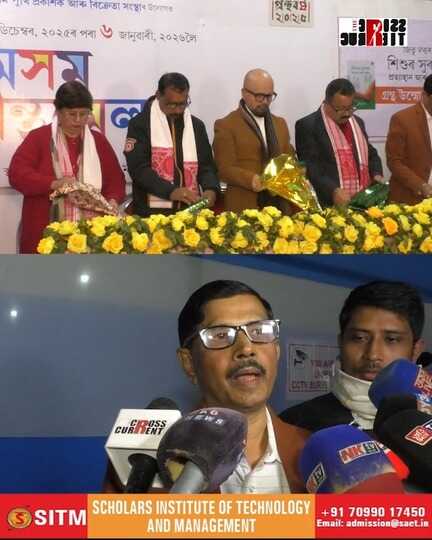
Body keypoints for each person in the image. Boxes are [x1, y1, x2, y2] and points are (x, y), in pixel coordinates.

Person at [104, 280, 309, 493]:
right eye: (221, 335)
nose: (246, 348)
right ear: (189, 363)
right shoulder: (143, 464)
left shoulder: (313, 451)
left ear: (277, 351)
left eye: (259, 330)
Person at [280, 281, 425, 433]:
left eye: (392, 339)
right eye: (359, 338)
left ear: (416, 350)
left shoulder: (426, 422)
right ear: (341, 342)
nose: (373, 355)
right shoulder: (294, 424)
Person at [8, 81, 125, 254]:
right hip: (45, 234)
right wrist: (54, 183)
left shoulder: (98, 141)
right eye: (72, 114)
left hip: (93, 235)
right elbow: (17, 174)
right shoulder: (38, 138)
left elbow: (115, 180)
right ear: (58, 111)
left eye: (83, 114)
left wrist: (113, 200)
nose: (78, 120)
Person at [124, 72, 219, 217]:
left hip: (191, 211)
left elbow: (206, 166)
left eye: (182, 104)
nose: (178, 110)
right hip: (151, 214)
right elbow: (139, 169)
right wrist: (171, 191)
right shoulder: (140, 124)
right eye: (172, 104)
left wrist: (210, 189)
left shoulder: (196, 126)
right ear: (158, 95)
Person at [213, 69, 296, 213]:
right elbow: (224, 169)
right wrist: (252, 180)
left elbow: (290, 159)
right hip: (244, 209)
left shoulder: (280, 124)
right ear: (244, 93)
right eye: (259, 96)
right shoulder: (226, 125)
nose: (265, 101)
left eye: (269, 96)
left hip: (280, 207)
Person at [295, 78, 383, 208]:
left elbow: (371, 154)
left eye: (350, 108)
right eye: (341, 109)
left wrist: (376, 174)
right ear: (326, 103)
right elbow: (311, 167)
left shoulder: (358, 123)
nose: (347, 114)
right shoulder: (308, 125)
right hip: (327, 204)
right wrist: (333, 190)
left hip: (362, 202)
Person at [386, 74, 432, 205]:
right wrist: (421, 185)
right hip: (410, 199)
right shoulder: (402, 119)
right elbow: (394, 162)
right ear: (425, 95)